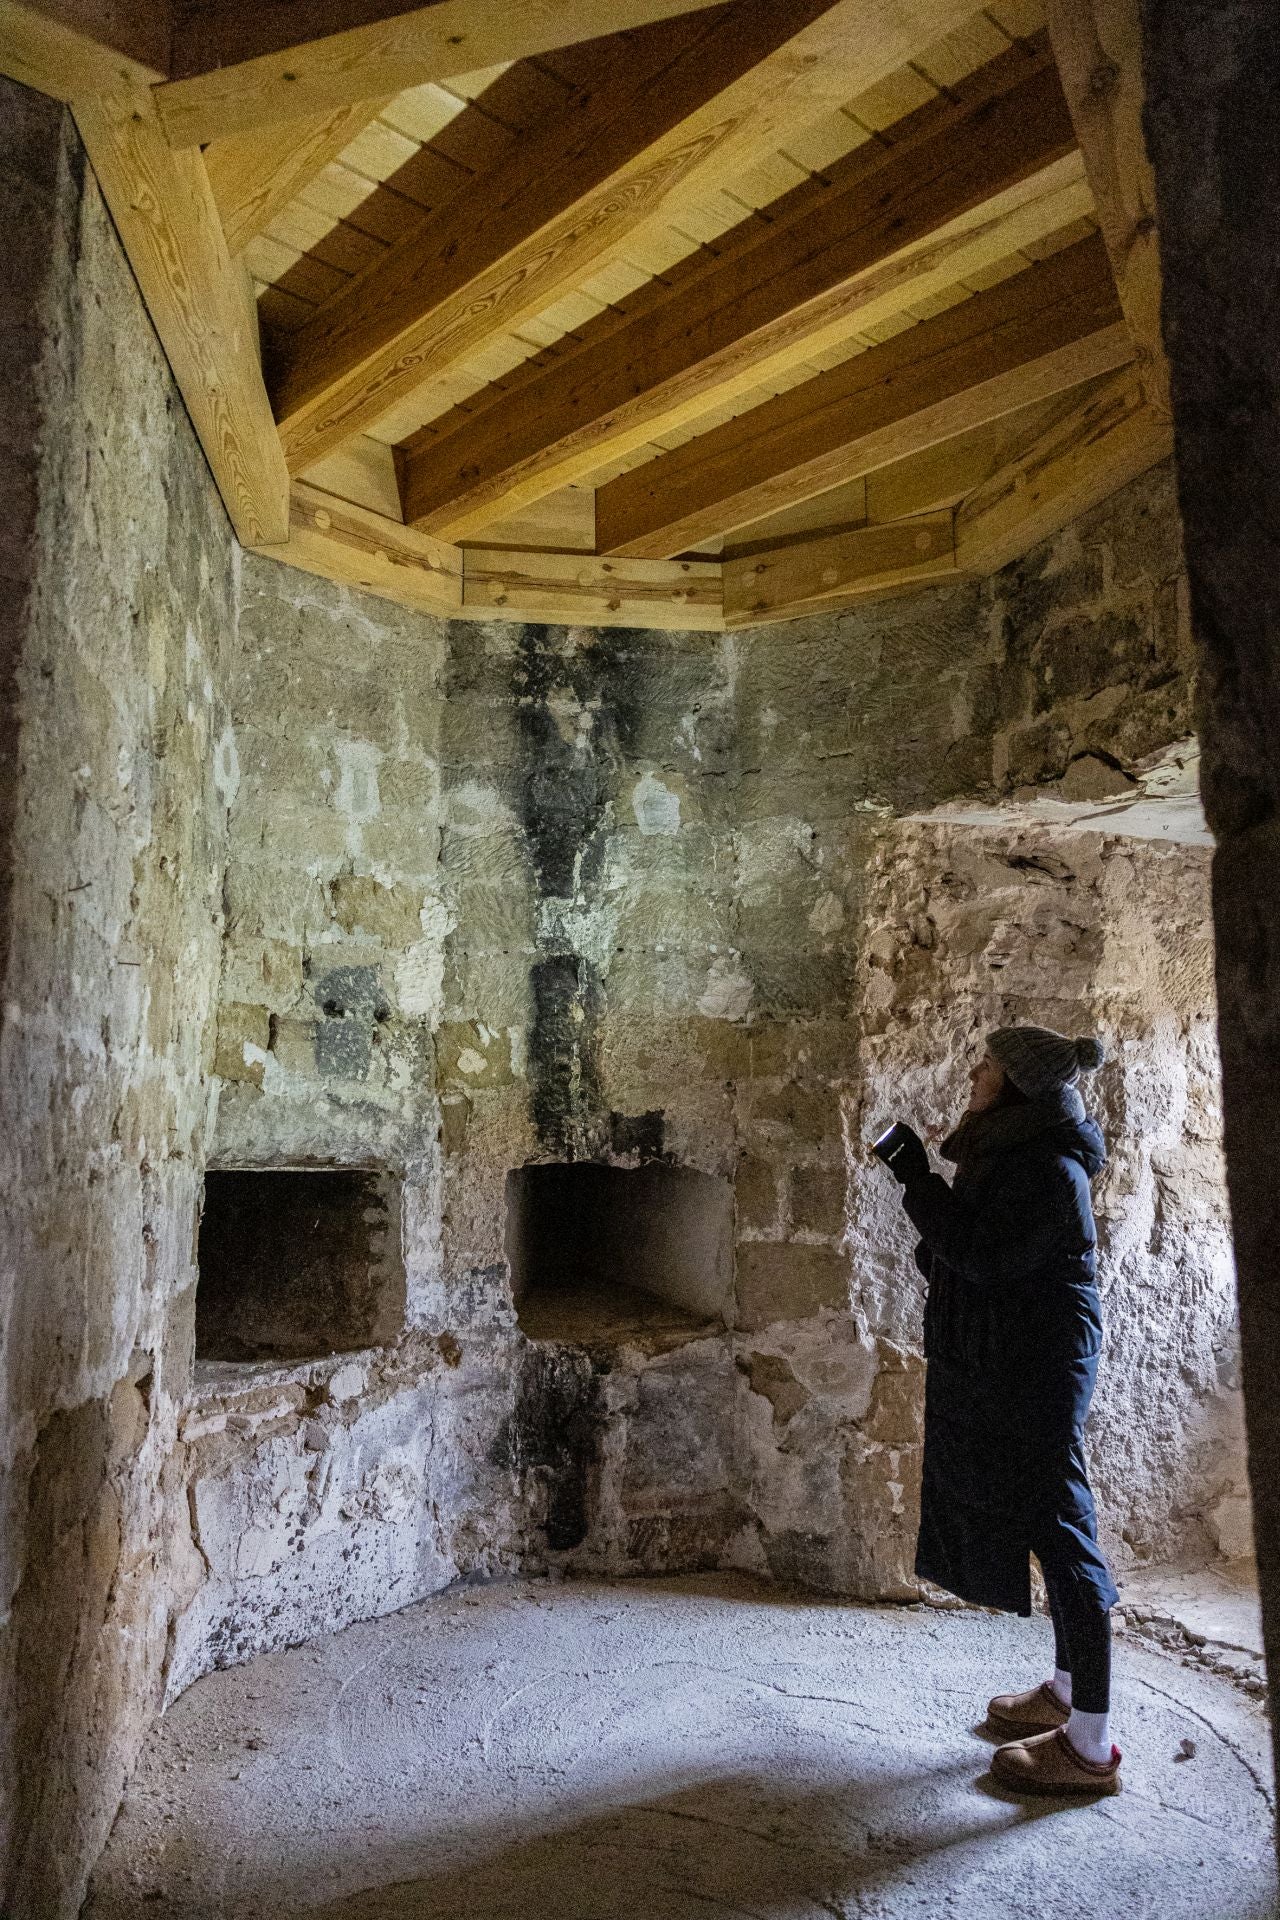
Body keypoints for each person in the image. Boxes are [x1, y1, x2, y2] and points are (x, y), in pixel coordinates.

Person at [876, 1025, 1121, 1797]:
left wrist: (916, 1176)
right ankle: (1066, 1692)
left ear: (1017, 1084)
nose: (975, 1071)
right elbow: (975, 1247)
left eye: (988, 1064)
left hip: (1040, 1362)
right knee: (1043, 1518)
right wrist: (940, 1231)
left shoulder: (1048, 1167)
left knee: (1060, 1525)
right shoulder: (1008, 1153)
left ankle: (1091, 1746)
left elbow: (981, 1255)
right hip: (1015, 1351)